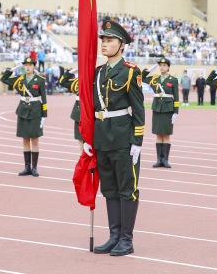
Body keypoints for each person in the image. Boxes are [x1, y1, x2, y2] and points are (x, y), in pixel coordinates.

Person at [85, 20, 144, 257]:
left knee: (127, 189)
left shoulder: (130, 71)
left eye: (110, 41)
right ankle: (114, 237)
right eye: (103, 40)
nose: (104, 44)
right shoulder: (98, 72)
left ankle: (126, 240)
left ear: (121, 45)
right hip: (102, 136)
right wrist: (88, 137)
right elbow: (90, 105)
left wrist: (137, 141)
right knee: (109, 188)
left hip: (122, 137)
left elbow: (138, 109)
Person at [0, 57, 47, 176]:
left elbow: (44, 99)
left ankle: (34, 167)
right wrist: (12, 70)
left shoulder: (40, 80)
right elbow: (3, 78)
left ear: (34, 67)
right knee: (25, 139)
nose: (28, 67)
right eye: (25, 65)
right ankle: (27, 167)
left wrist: (44, 115)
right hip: (23, 111)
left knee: (35, 139)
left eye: (30, 65)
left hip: (36, 111)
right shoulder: (19, 79)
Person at [142, 57, 179, 168]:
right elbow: (141, 77)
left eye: (164, 65)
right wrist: (149, 70)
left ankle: (165, 160)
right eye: (160, 65)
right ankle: (159, 159)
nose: (162, 67)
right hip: (157, 108)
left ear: (168, 67)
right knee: (158, 134)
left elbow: (176, 97)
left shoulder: (173, 80)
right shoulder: (154, 78)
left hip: (168, 109)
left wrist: (175, 112)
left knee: (166, 134)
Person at [59, 68, 83, 154]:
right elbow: (62, 81)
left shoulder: (95, 81)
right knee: (81, 142)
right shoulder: (76, 82)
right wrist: (71, 72)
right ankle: (83, 161)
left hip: (90, 114)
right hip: (78, 114)